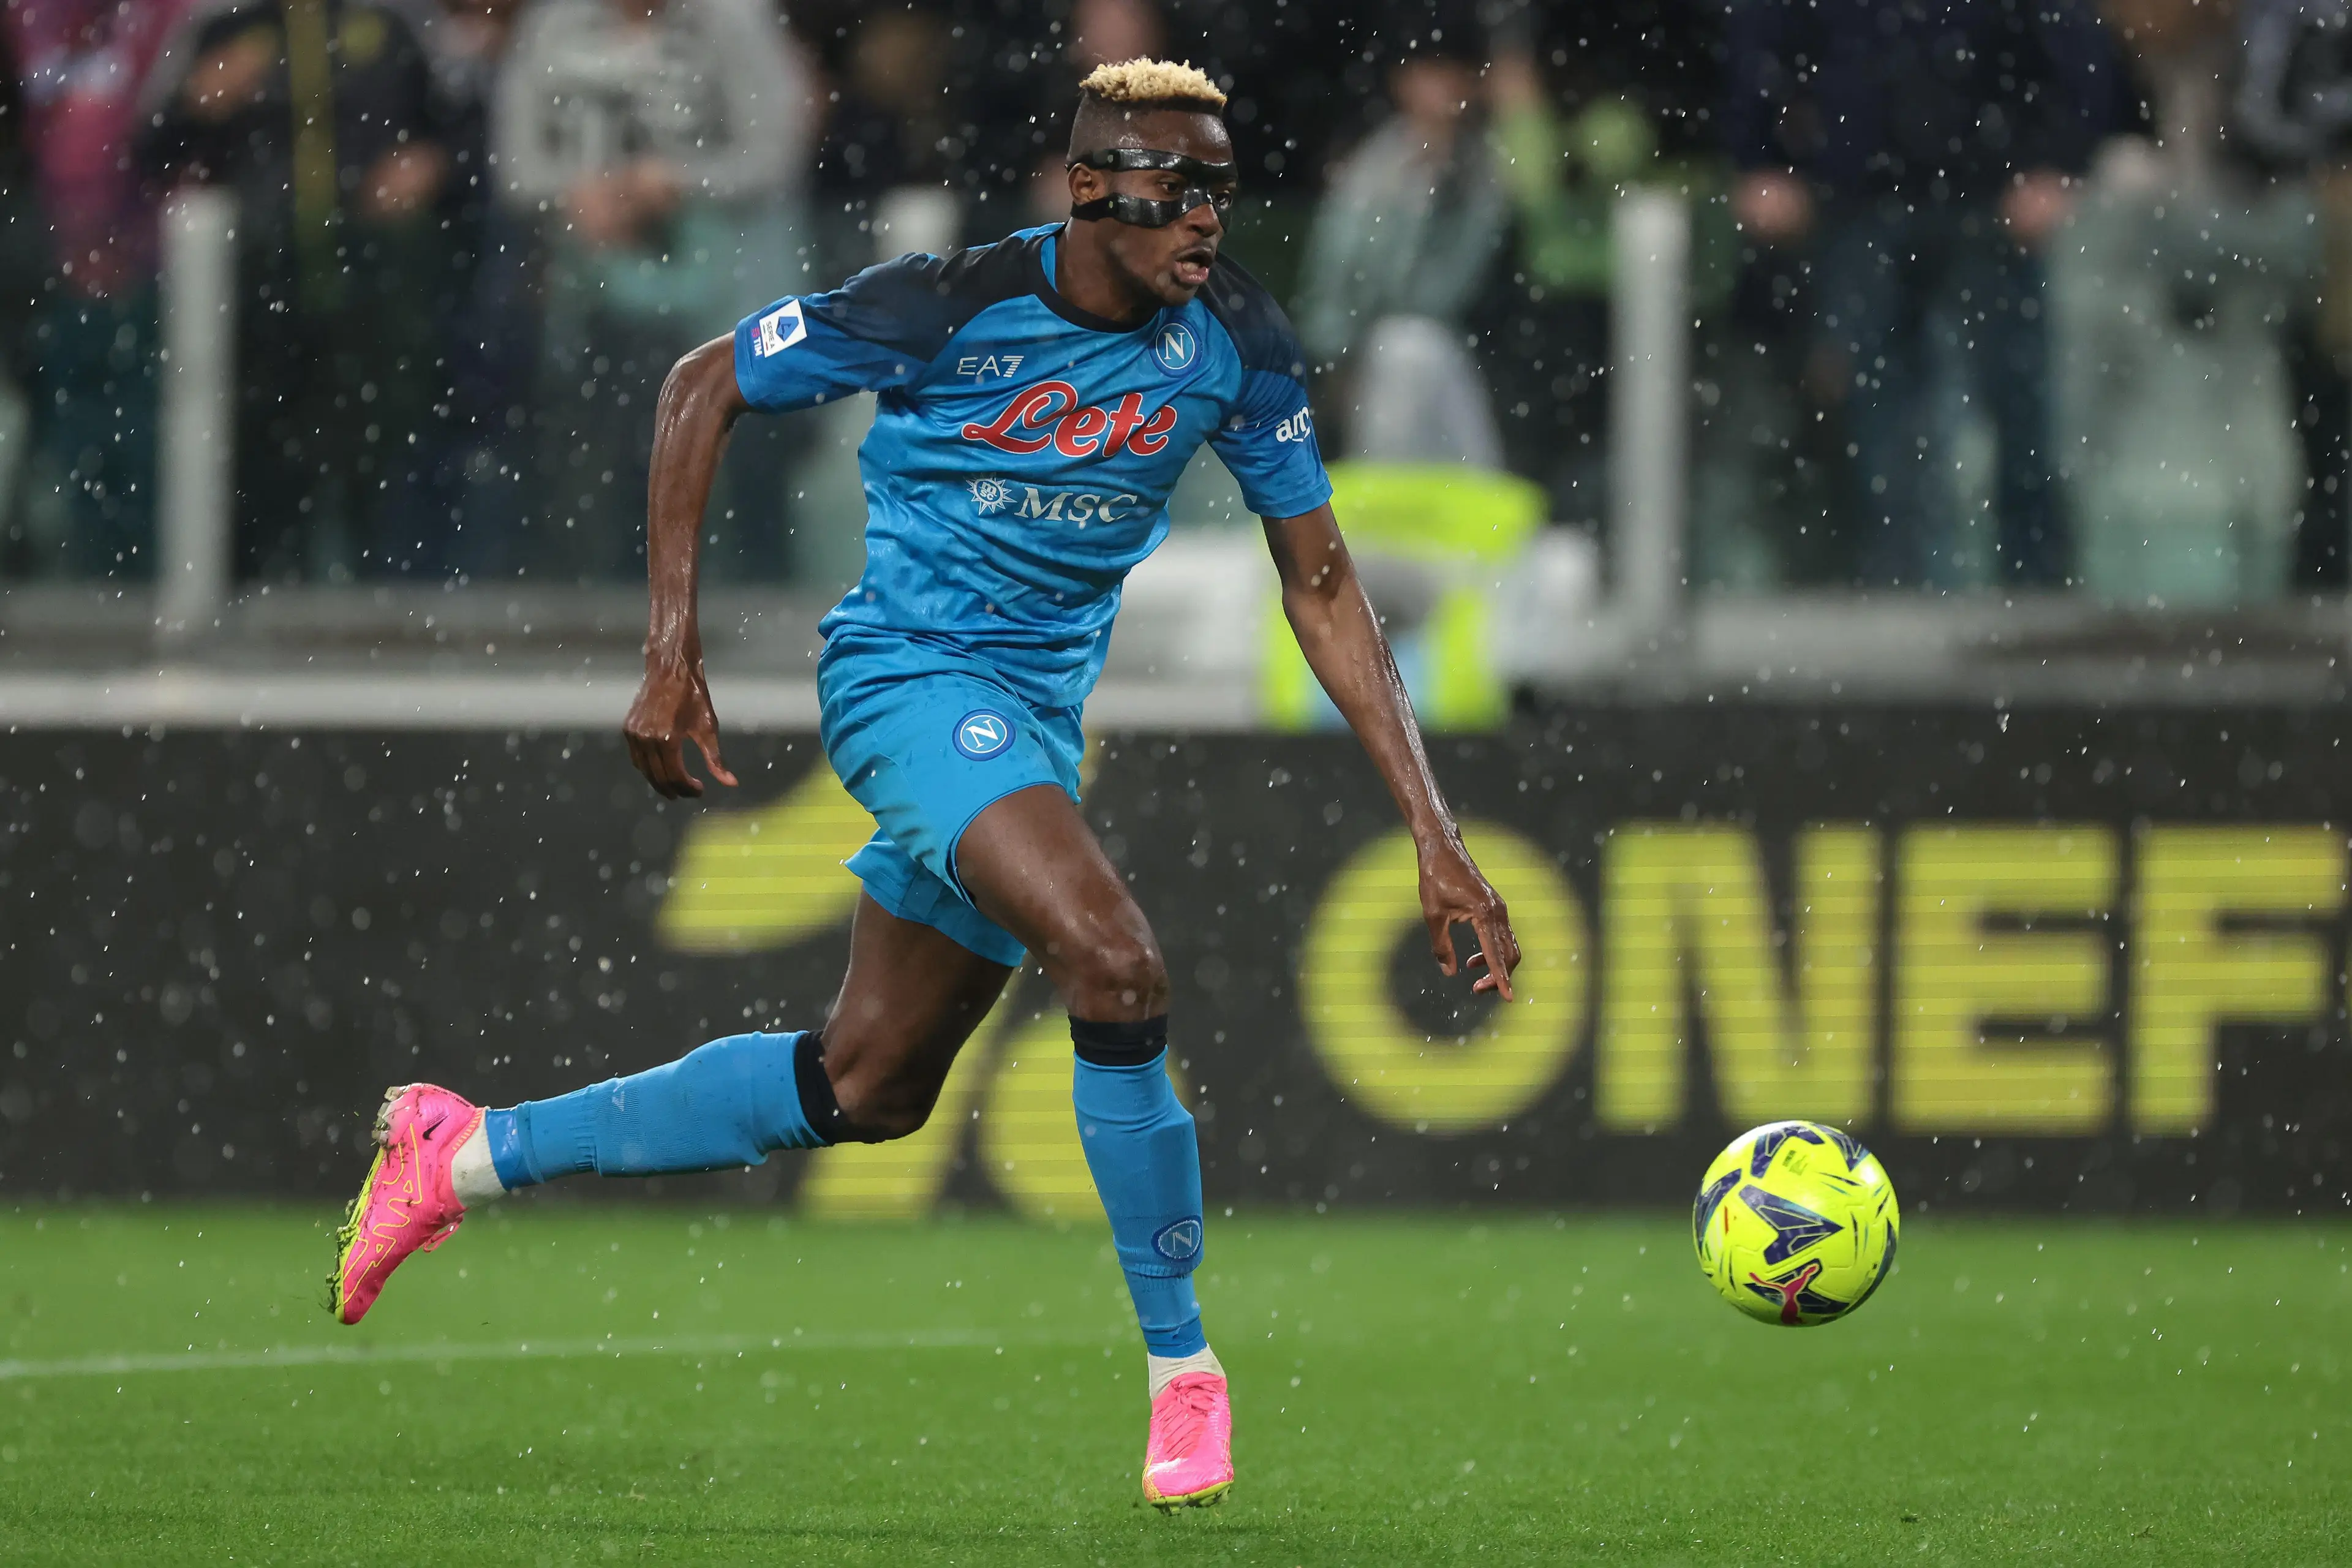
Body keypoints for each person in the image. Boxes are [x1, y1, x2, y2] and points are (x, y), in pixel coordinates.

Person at [328, 58, 1523, 1511]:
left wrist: (1434, 832)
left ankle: (462, 1154)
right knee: (1118, 961)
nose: (1207, 219)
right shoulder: (945, 299)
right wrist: (667, 652)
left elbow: (1322, 583)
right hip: (905, 683)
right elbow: (704, 381)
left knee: (867, 1082)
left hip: (1026, 726)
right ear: (1092, 189)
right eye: (1175, 189)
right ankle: (1183, 1370)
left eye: (1220, 186)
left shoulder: (1234, 339)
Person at [1722, 0, 2118, 588]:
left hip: (1986, 199)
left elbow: (2076, 50)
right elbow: (1764, 46)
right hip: (1859, 198)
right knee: (1879, 423)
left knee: (2015, 410)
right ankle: (1898, 596)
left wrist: (2057, 162)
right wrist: (1760, 158)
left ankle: (2032, 601)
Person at [494, 0, 812, 581]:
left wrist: (675, 182)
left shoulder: (736, 20)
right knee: (605, 459)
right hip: (587, 293)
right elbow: (517, 163)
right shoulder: (555, 23)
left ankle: (758, 610)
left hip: (727, 292)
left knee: (746, 466)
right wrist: (578, 194)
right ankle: (607, 610)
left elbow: (772, 150)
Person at [136, 0, 453, 579]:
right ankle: (247, 609)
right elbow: (149, 150)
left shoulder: (392, 23)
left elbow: (457, 136)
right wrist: (197, 102)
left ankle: (380, 611)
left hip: (374, 296)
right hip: (253, 298)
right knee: (257, 470)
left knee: (377, 467)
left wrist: (428, 166)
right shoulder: (222, 26)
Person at [1293, 19, 1509, 467]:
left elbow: (1464, 285)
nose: (1445, 90)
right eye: (1432, 74)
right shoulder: (1373, 172)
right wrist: (1338, 363)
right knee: (1405, 348)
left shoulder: (1484, 170)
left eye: (1454, 74)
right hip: (1376, 353)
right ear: (1404, 84)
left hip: (1464, 354)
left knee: (1418, 350)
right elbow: (1335, 281)